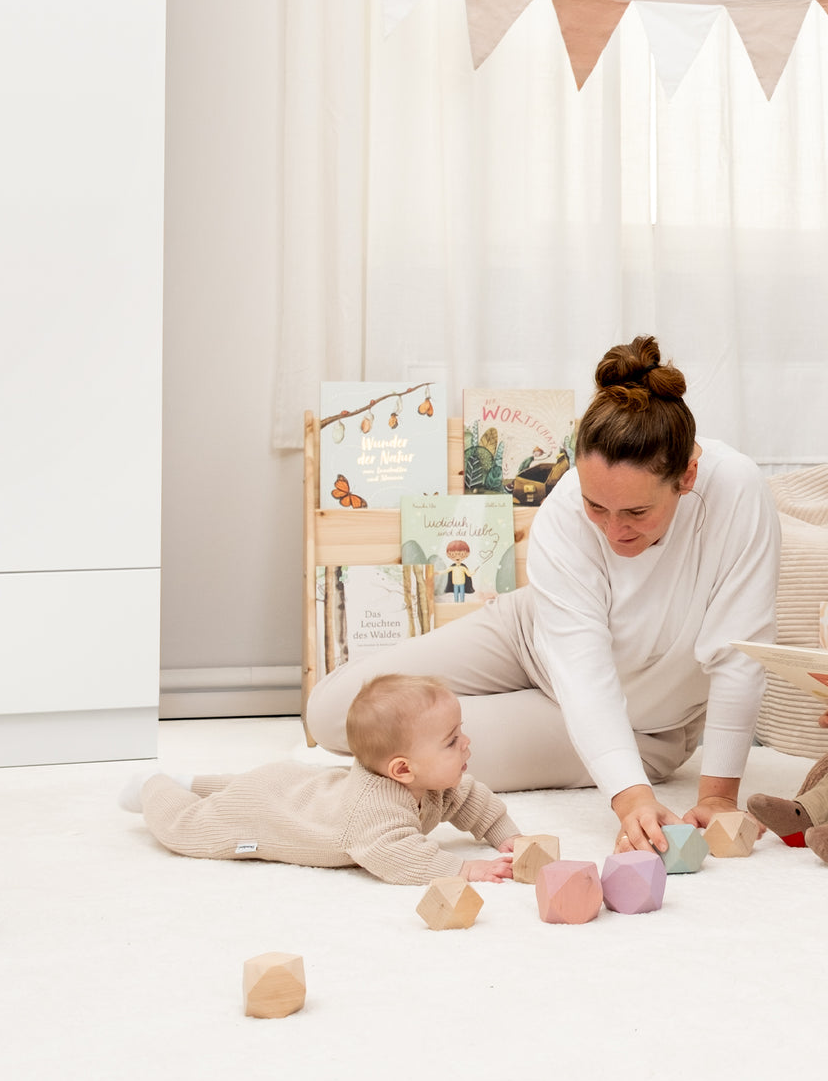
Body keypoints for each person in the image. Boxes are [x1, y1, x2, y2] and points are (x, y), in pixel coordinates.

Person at [305, 335, 781, 857]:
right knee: (333, 711)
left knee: (412, 752)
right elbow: (579, 666)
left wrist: (709, 797)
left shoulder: (735, 492)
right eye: (596, 506)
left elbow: (739, 656)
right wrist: (630, 800)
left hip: (638, 726)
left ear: (686, 477)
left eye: (636, 514)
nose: (613, 530)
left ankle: (573, 738)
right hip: (528, 637)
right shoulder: (562, 510)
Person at [120, 673, 520, 884]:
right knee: (189, 828)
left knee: (269, 781)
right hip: (267, 810)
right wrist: (461, 869)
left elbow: (472, 801)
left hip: (296, 785)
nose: (466, 743)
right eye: (451, 742)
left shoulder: (437, 784)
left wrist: (505, 835)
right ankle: (154, 784)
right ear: (402, 770)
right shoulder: (375, 814)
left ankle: (190, 780)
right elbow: (396, 857)